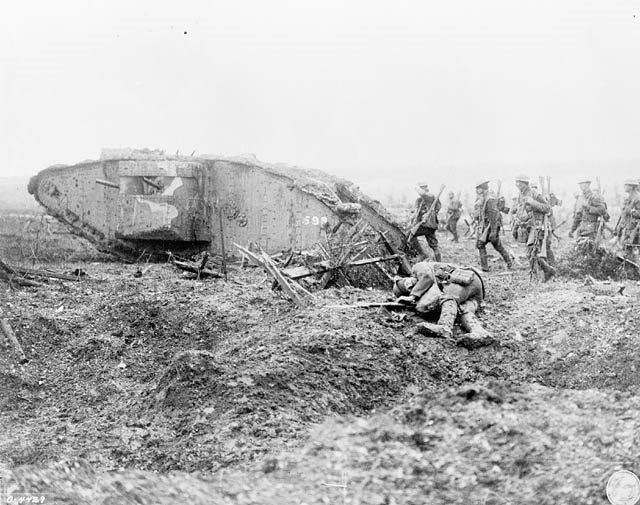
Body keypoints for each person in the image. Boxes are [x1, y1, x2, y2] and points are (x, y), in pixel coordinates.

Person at [394, 260, 493, 349]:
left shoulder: (418, 267)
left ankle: (445, 326)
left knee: (447, 297)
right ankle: (479, 332)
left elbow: (427, 276)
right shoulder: (425, 289)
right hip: (476, 290)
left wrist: (413, 296)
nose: (411, 287)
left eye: (408, 285)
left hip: (464, 278)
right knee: (463, 311)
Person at [513, 175, 555, 281]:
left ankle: (534, 278)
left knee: (531, 252)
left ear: (525, 183)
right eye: (516, 182)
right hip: (526, 226)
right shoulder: (520, 194)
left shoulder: (535, 193)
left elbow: (547, 208)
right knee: (532, 253)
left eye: (520, 183)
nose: (517, 185)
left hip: (536, 226)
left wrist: (533, 202)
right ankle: (548, 270)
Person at [473, 180, 512, 271]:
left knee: (480, 244)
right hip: (489, 225)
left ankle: (485, 267)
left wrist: (494, 231)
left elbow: (493, 216)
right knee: (497, 246)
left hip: (491, 226)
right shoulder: (486, 197)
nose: (477, 190)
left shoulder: (489, 199)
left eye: (478, 188)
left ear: (482, 188)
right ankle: (509, 262)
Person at [408, 182, 442, 261]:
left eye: (421, 188)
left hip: (427, 224)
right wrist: (411, 221)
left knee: (410, 234)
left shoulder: (430, 197)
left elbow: (437, 207)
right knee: (434, 245)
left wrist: (416, 187)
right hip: (426, 225)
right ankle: (439, 262)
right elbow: (415, 212)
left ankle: (421, 254)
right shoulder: (420, 200)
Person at [616, 179, 640, 259]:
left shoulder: (637, 197)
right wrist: (620, 227)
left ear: (632, 186)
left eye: (626, 185)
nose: (624, 187)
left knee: (634, 251)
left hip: (635, 229)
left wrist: (630, 211)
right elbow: (624, 215)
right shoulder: (628, 197)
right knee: (626, 250)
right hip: (628, 228)